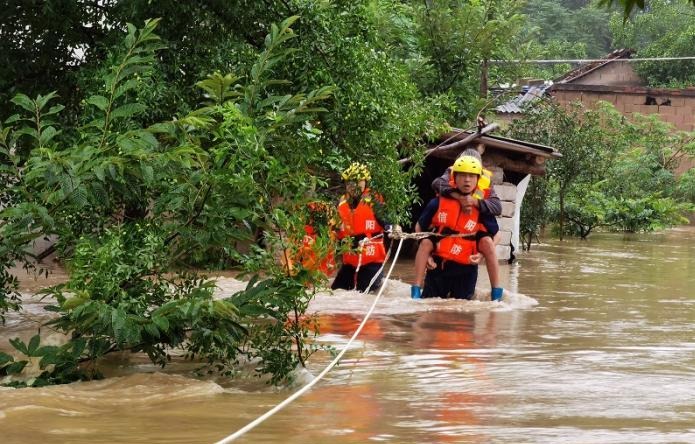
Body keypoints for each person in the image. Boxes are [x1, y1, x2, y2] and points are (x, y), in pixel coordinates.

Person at [411, 148, 504, 301]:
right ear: (455, 175)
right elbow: (419, 227)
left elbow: (497, 232)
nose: (467, 179)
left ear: (478, 177)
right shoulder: (440, 197)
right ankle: (415, 292)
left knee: (462, 318)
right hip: (440, 264)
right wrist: (426, 252)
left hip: (465, 266)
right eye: (462, 174)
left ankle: (496, 296)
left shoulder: (483, 201)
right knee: (430, 313)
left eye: (471, 175)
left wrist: (481, 254)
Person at [331, 162, 388, 293]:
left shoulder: (374, 201)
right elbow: (335, 229)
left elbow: (386, 221)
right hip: (350, 261)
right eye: (350, 182)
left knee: (367, 293)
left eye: (358, 182)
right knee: (335, 292)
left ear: (365, 183)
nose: (354, 186)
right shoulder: (341, 203)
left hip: (370, 259)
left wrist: (393, 228)